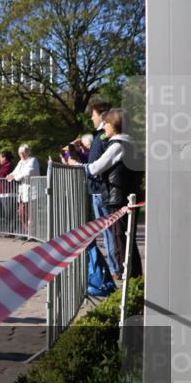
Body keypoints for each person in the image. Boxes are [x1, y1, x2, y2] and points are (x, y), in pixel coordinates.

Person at [85, 109, 142, 279]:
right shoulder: (130, 143)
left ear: (114, 125)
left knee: (120, 239)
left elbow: (95, 168)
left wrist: (80, 167)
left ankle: (128, 278)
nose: (104, 128)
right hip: (127, 196)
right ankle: (135, 277)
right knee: (127, 239)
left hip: (118, 198)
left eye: (107, 124)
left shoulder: (118, 145)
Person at [69, 100, 121, 281]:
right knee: (108, 232)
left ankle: (116, 268)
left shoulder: (102, 138)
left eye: (94, 114)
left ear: (103, 116)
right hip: (99, 190)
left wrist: (78, 165)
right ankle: (116, 267)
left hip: (101, 191)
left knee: (108, 232)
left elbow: (96, 166)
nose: (91, 117)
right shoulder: (101, 138)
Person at [6, 144, 39, 236]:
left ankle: (32, 234)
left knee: (31, 214)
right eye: (20, 153)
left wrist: (15, 177)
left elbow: (27, 173)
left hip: (32, 192)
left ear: (28, 152)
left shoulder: (33, 160)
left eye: (23, 153)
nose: (22, 155)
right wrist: (10, 175)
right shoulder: (20, 162)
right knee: (21, 213)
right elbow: (15, 172)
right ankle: (27, 231)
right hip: (22, 192)